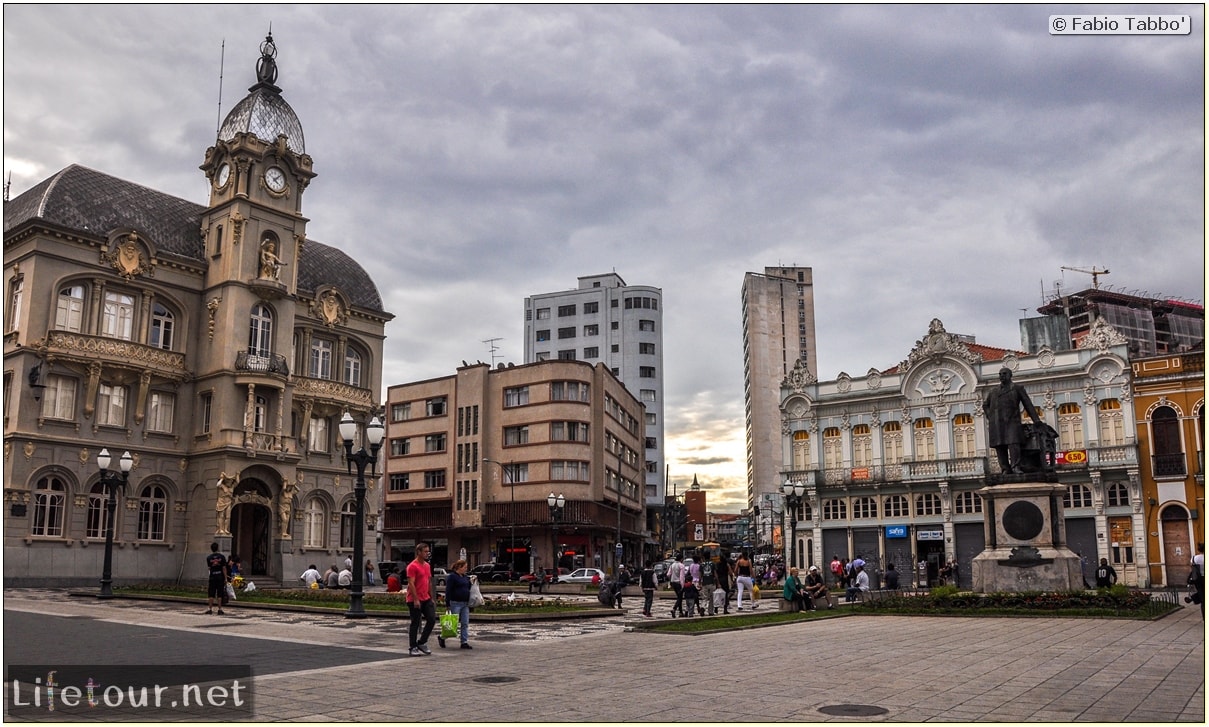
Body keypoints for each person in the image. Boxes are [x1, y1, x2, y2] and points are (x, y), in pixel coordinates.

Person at [984, 366, 1043, 474]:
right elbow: (985, 405)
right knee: (999, 446)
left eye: (1004, 373)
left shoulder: (1017, 388)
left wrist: (1036, 420)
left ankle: (1016, 466)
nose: (1002, 376)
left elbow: (1028, 405)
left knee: (1014, 443)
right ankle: (1005, 468)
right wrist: (990, 416)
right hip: (997, 423)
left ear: (1010, 375)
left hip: (1012, 421)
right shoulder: (993, 391)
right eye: (1000, 374)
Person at [406, 543, 437, 656]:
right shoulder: (412, 566)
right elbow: (411, 584)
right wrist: (415, 599)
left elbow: (428, 582)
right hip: (414, 599)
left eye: (428, 551)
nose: (427, 553)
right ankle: (412, 646)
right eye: (425, 551)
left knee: (432, 619)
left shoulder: (427, 565)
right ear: (418, 552)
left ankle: (422, 642)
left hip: (426, 598)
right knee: (415, 622)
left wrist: (431, 597)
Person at [443, 559, 474, 649]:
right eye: (465, 567)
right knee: (453, 624)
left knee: (465, 623)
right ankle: (442, 637)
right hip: (455, 602)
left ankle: (464, 641)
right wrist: (447, 603)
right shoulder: (452, 577)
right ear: (459, 567)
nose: (466, 569)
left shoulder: (465, 577)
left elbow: (468, 588)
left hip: (465, 603)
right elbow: (448, 590)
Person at [204, 542, 229, 615]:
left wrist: (211, 575)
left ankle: (210, 609)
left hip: (212, 577)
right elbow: (224, 568)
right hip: (220, 577)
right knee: (220, 593)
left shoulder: (209, 558)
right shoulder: (222, 557)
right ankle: (220, 609)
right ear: (217, 548)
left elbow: (209, 568)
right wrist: (225, 578)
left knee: (211, 593)